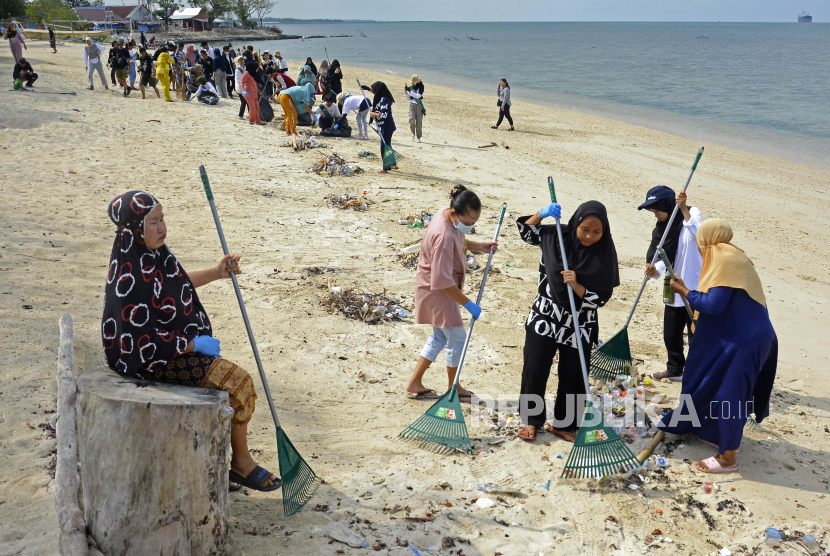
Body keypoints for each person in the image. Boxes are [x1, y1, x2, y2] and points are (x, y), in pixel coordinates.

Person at [102, 191, 281, 492]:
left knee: (235, 385)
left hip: (172, 349)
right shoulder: (128, 277)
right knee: (239, 383)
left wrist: (216, 272)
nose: (162, 228)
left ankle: (218, 465)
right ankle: (241, 463)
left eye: (162, 219)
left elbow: (176, 283)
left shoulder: (153, 255)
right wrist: (194, 345)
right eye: (153, 222)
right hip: (148, 362)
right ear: (135, 228)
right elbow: (142, 341)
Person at [657, 219, 777, 474]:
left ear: (706, 240)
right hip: (738, 336)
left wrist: (685, 291)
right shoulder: (732, 256)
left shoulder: (724, 259)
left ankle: (728, 458)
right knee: (708, 378)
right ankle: (709, 431)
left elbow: (714, 304)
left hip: (747, 341)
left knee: (730, 395)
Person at [516, 201, 620, 442]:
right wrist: (541, 214)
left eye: (597, 232)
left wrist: (577, 285)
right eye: (585, 229)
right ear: (576, 223)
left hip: (580, 324)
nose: (589, 236)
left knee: (573, 375)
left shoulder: (604, 253)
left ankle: (565, 424)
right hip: (545, 316)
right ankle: (532, 421)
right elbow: (526, 233)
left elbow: (601, 299)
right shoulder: (555, 235)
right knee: (535, 367)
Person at [405, 186, 498, 401]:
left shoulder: (445, 213)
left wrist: (479, 246)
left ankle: (414, 383)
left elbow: (460, 238)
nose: (470, 226)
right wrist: (468, 304)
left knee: (439, 336)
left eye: (474, 221)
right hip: (438, 292)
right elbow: (444, 282)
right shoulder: (444, 236)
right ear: (455, 214)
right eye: (468, 222)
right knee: (457, 338)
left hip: (431, 286)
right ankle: (454, 388)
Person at [639, 186, 703, 381]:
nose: (656, 215)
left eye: (658, 211)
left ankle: (696, 373)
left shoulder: (692, 213)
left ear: (668, 205)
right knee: (671, 333)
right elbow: (660, 255)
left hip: (695, 286)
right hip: (674, 286)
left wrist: (683, 209)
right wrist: (654, 270)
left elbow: (699, 235)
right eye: (654, 213)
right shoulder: (662, 230)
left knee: (696, 333)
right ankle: (675, 368)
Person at [369, 81, 396, 172]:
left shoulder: (384, 99)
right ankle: (393, 164)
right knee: (387, 145)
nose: (373, 92)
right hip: (384, 127)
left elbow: (384, 115)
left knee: (384, 147)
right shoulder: (381, 98)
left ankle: (386, 168)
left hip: (386, 127)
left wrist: (374, 114)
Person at [405, 75, 425, 142]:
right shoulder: (411, 86)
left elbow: (418, 96)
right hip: (412, 105)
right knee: (411, 121)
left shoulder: (421, 86)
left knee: (419, 122)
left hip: (419, 105)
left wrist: (410, 92)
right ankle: (413, 133)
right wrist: (406, 93)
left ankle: (418, 137)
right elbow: (409, 98)